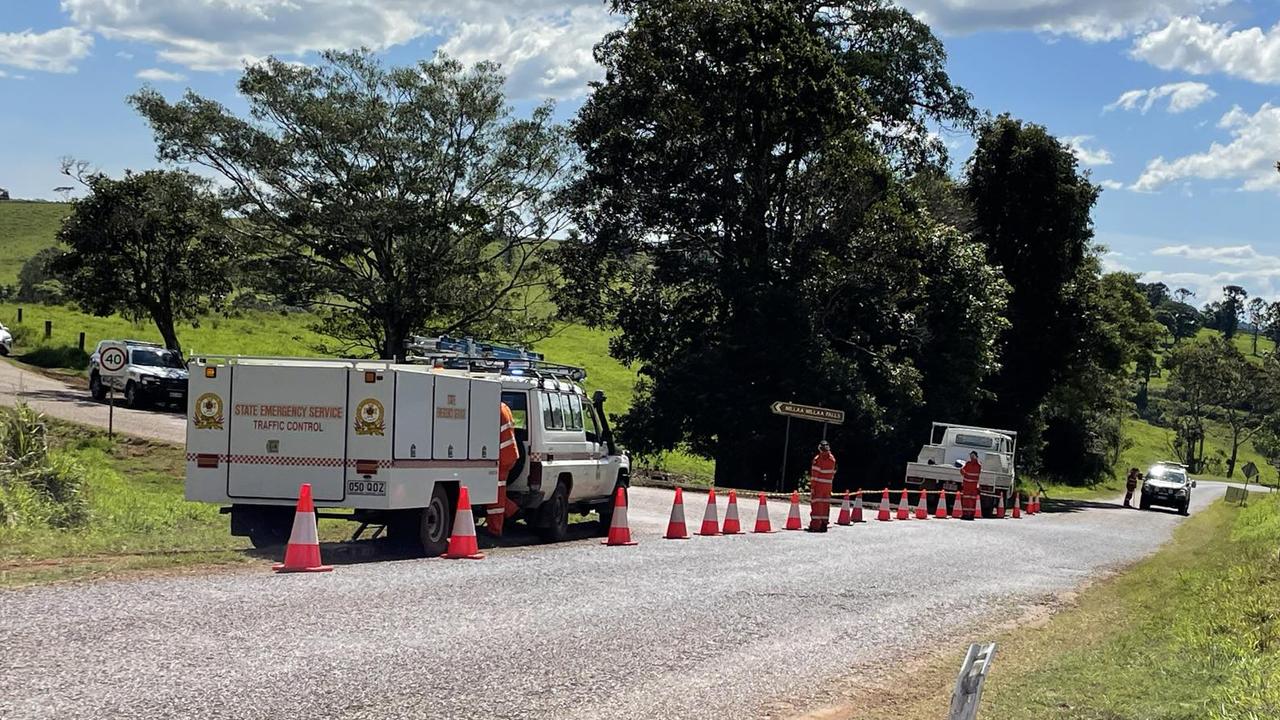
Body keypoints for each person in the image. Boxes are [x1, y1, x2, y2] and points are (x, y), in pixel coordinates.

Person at [487, 401, 521, 536]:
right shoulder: (503, 407)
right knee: (496, 491)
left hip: (502, 456)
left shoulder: (493, 408)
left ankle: (495, 530)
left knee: (496, 494)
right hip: (508, 454)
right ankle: (512, 510)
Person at [808, 440, 836, 532]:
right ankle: (824, 524)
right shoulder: (832, 459)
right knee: (825, 505)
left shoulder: (817, 459)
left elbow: (814, 476)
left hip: (819, 486)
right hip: (828, 486)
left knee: (816, 505)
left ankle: (815, 525)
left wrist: (812, 488)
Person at [960, 451, 982, 520]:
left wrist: (964, 475)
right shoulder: (978, 465)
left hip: (967, 486)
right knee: (972, 501)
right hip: (973, 486)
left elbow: (961, 470)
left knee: (966, 500)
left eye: (972, 456)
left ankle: (966, 514)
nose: (971, 457)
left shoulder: (969, 464)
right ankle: (971, 515)